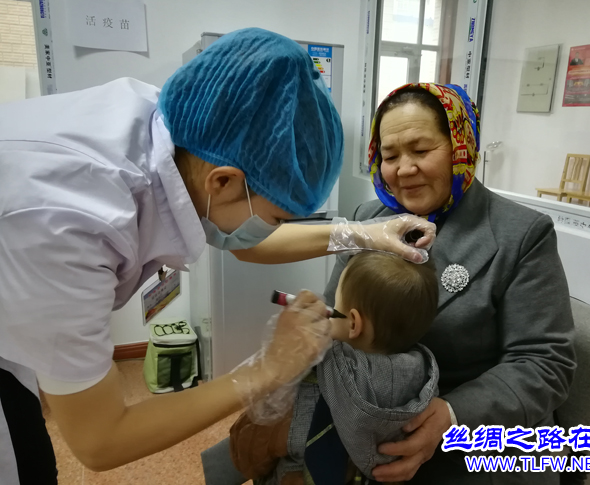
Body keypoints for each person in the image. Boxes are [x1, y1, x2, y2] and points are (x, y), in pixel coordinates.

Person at [0, 28, 435, 484]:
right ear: (223, 182)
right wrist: (266, 369)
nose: (274, 230)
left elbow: (245, 240)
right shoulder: (68, 226)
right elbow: (100, 439)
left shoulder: (178, 129)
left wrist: (363, 233)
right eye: (277, 217)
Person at [320, 83, 576, 484]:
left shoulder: (521, 234)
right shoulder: (368, 218)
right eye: (390, 156)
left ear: (461, 147)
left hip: (479, 446)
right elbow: (334, 316)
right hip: (374, 417)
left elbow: (545, 364)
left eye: (421, 150)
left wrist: (451, 417)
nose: (404, 169)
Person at [204, 251, 439, 484]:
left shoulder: (313, 383)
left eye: (335, 303)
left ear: (354, 324)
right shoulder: (424, 389)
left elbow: (247, 450)